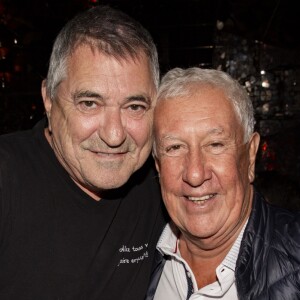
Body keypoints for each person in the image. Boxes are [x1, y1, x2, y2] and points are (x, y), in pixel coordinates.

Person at [0, 5, 168, 300]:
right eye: (90, 103)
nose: (114, 135)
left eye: (135, 107)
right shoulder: (7, 177)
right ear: (49, 100)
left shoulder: (165, 187)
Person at [146, 67, 300, 299]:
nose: (195, 174)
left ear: (250, 156)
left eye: (215, 145)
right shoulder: (138, 253)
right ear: (158, 165)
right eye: (174, 147)